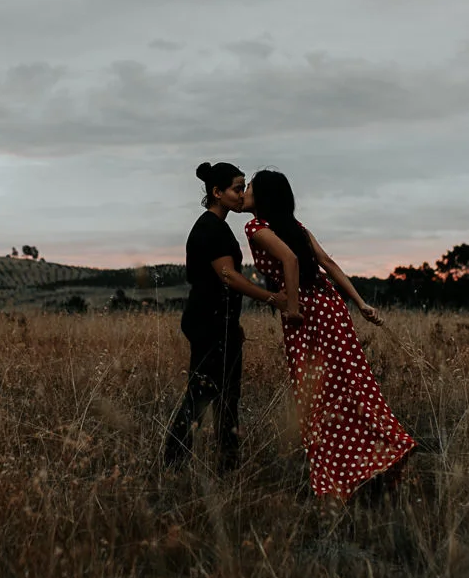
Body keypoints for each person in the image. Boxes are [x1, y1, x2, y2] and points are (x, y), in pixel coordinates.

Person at [242, 169, 415, 500]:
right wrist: (360, 302)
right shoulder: (295, 227)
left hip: (307, 313)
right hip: (331, 306)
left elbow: (290, 261)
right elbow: (328, 264)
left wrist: (292, 308)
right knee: (349, 385)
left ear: (263, 196)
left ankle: (342, 475)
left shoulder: (256, 227)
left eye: (249, 187)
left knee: (317, 395)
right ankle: (373, 459)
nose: (245, 192)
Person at [164, 162, 288, 471]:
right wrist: (273, 298)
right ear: (217, 193)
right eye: (237, 188)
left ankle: (224, 466)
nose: (243, 193)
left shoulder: (216, 226)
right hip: (210, 323)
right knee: (204, 396)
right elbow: (228, 277)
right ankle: (175, 465)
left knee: (223, 398)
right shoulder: (211, 229)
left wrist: (235, 324)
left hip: (218, 322)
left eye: (244, 186)